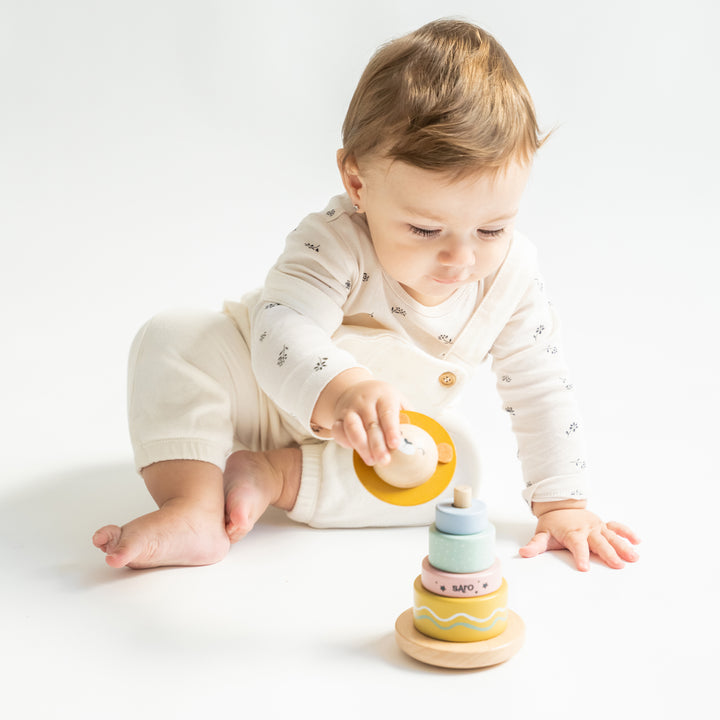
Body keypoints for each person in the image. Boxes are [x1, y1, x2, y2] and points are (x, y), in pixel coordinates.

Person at [93, 18, 640, 572]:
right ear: (358, 183)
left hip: (379, 442)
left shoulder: (513, 278)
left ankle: (276, 476)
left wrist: (563, 505)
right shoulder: (333, 239)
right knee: (174, 337)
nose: (462, 259)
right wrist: (343, 386)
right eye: (426, 231)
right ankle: (192, 502)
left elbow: (541, 388)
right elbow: (282, 327)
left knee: (459, 472)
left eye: (492, 229)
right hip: (259, 394)